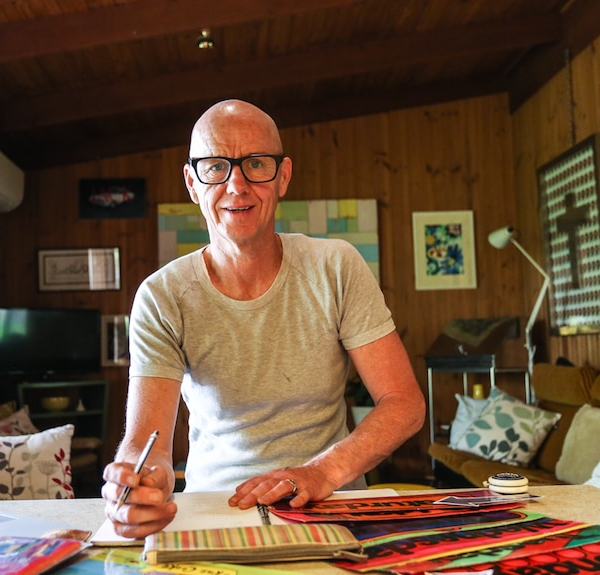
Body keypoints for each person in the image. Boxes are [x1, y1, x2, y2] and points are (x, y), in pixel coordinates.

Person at [101, 99, 425, 539]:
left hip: (332, 504)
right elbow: (146, 443)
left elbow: (404, 404)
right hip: (216, 509)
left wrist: (320, 473)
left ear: (283, 175)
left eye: (256, 163)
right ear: (192, 182)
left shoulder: (336, 266)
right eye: (216, 166)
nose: (237, 185)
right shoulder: (162, 295)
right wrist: (141, 484)